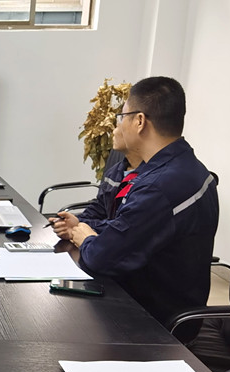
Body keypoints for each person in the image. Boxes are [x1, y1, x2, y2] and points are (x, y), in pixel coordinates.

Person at [50, 76, 217, 325]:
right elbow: (130, 227)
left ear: (139, 121)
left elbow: (101, 257)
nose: (119, 124)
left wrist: (85, 236)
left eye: (122, 116)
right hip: (152, 298)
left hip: (155, 322)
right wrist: (86, 229)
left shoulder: (160, 187)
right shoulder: (182, 167)